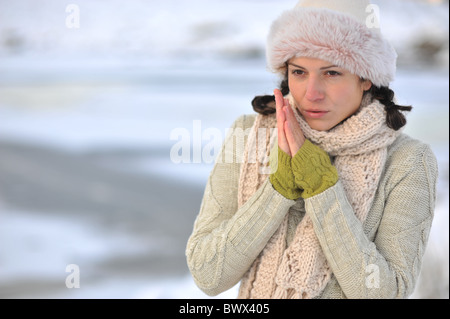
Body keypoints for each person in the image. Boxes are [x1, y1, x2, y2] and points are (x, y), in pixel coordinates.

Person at [185, 0, 438, 299]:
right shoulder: (248, 135)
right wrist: (277, 190)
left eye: (331, 73)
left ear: (366, 77)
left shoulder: (408, 162)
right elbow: (208, 274)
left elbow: (384, 293)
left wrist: (323, 190)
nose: (312, 93)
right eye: (299, 72)